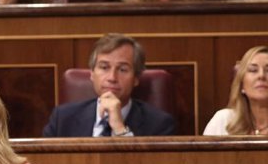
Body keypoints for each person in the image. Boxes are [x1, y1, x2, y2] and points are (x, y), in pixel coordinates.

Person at [43, 33, 176, 137]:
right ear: (92, 73)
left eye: (123, 69)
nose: (112, 78)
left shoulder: (159, 124)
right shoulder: (63, 119)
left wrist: (119, 128)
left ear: (136, 78)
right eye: (104, 67)